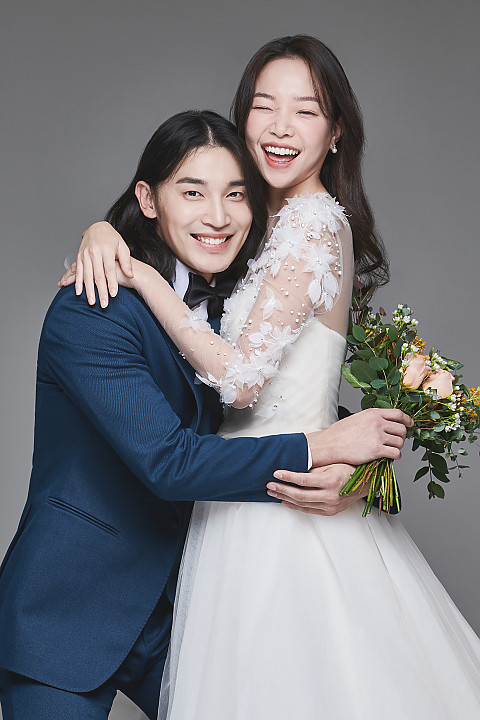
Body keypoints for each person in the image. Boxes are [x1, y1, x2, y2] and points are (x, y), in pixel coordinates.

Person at [67, 37, 480, 718]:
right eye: (264, 106)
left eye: (306, 110)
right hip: (243, 491)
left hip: (277, 512)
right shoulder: (258, 221)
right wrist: (103, 230)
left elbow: (240, 383)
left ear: (337, 130)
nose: (280, 127)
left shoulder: (310, 226)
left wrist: (139, 277)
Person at [0, 110, 409, 720]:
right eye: (192, 192)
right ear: (148, 199)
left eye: (235, 194)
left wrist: (360, 464)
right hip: (68, 610)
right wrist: (321, 448)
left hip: (182, 612)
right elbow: (169, 462)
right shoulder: (92, 308)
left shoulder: (225, 308)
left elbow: (268, 403)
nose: (217, 217)